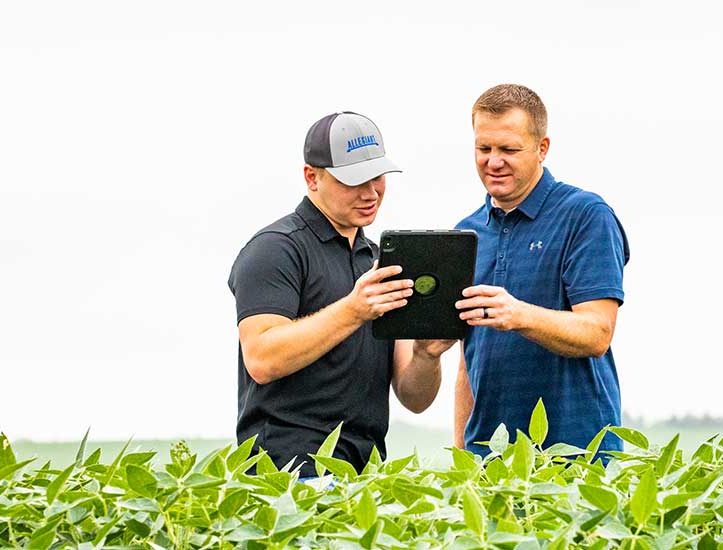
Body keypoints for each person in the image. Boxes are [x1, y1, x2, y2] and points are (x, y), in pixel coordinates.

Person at [228, 111, 452, 478]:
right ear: (311, 177)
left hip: (364, 474)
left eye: (378, 176)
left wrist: (426, 355)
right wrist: (353, 310)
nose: (370, 192)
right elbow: (262, 359)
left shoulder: (381, 260)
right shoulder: (274, 249)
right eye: (354, 180)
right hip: (286, 472)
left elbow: (414, 399)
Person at [452, 84, 630, 457]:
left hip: (579, 460)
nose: (493, 161)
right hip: (491, 466)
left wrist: (517, 315)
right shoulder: (466, 234)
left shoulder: (585, 216)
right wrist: (462, 459)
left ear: (542, 149)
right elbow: (470, 365)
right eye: (483, 149)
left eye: (508, 150)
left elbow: (597, 333)